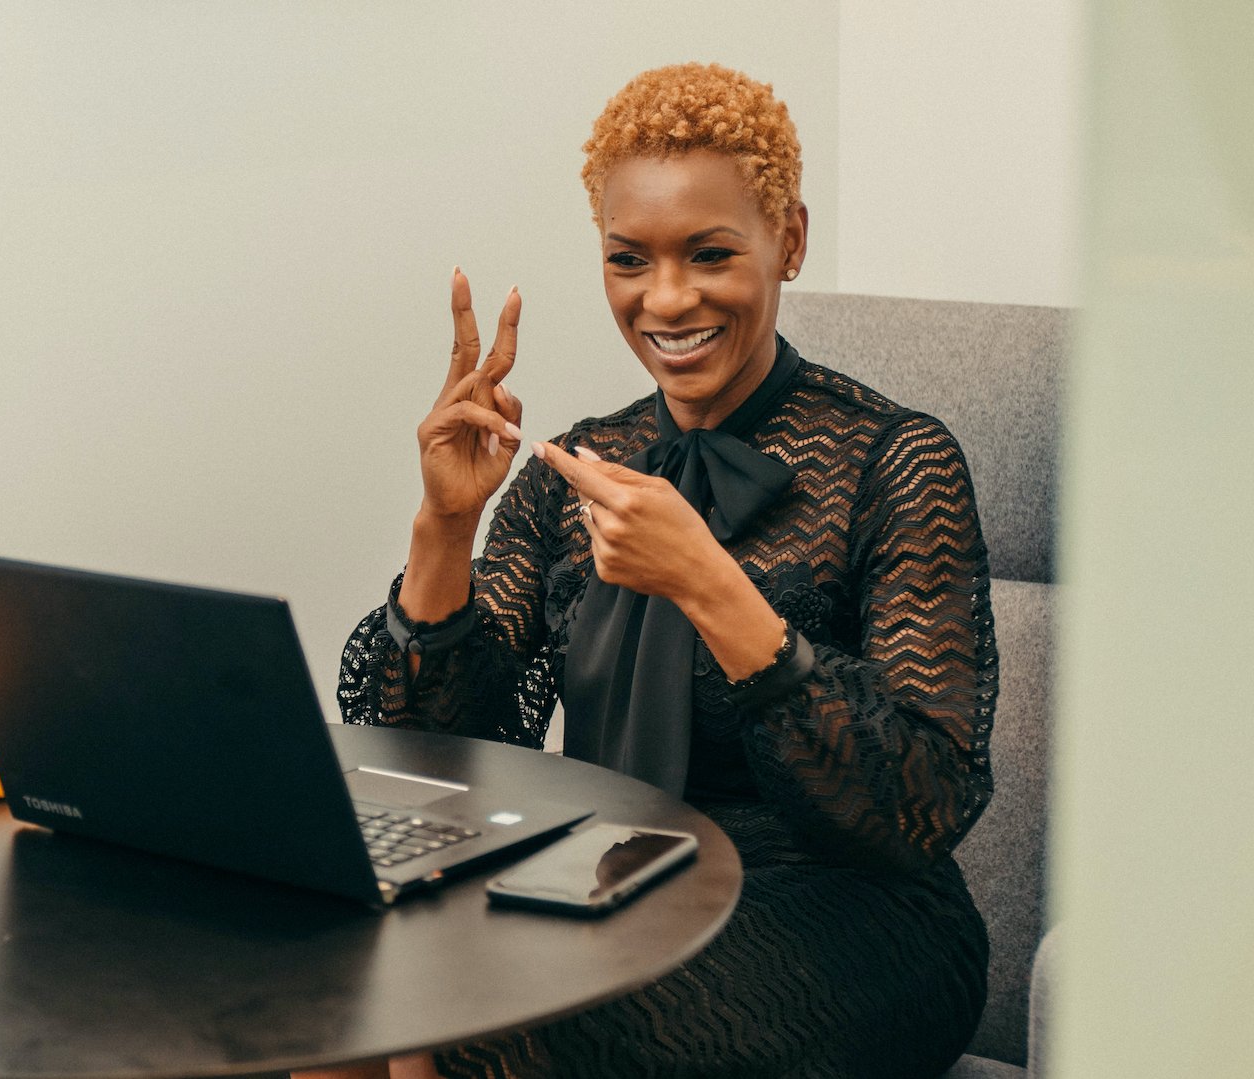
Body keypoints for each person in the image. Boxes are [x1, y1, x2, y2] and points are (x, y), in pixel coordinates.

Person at [331, 62, 996, 1078]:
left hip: (857, 915)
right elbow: (439, 752)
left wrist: (709, 584)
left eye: (711, 253)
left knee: (503, 1013)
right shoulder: (573, 469)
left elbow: (921, 803)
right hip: (606, 877)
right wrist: (444, 526)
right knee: (338, 970)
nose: (667, 297)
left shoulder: (896, 462)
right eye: (629, 259)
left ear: (793, 240)